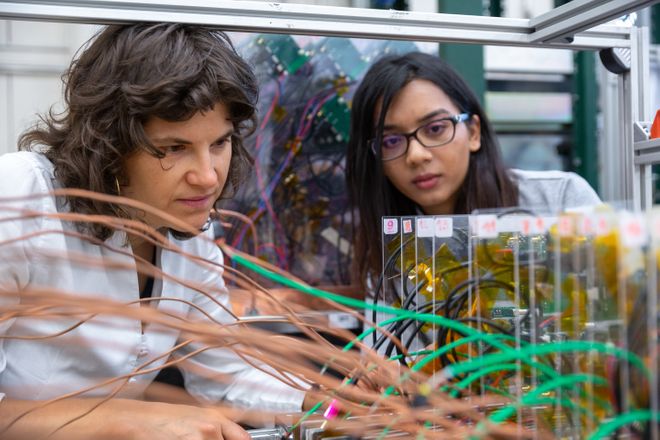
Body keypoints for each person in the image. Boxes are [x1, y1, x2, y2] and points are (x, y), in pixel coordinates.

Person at [0, 23, 311, 440]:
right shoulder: (20, 198)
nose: (206, 177)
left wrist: (320, 401)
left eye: (219, 143)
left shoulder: (188, 232)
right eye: (173, 148)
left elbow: (224, 374)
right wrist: (128, 420)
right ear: (109, 144)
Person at [346, 51, 601, 290]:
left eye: (435, 129)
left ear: (473, 132)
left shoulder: (560, 201)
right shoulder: (388, 252)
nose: (416, 155)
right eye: (391, 141)